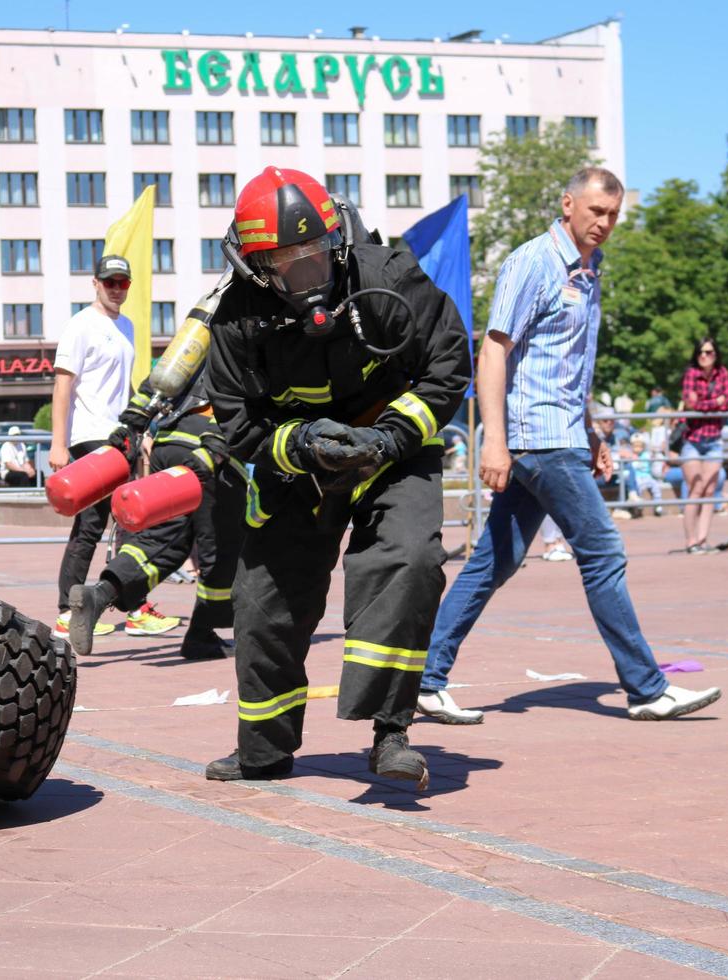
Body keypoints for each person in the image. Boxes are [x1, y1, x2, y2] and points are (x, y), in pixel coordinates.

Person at [418, 167, 721, 726]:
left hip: (562, 433)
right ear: (567, 205)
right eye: (595, 212)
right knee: (603, 551)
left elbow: (567, 366)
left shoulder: (590, 269)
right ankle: (647, 688)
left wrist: (593, 431)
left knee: (492, 563)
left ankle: (423, 681)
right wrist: (494, 445)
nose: (604, 224)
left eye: (613, 215)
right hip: (536, 437)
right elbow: (494, 352)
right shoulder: (532, 262)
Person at [201, 166, 471, 788]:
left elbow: (446, 363)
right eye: (287, 263)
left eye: (317, 256)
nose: (307, 273)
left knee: (407, 562)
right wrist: (302, 444)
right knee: (262, 598)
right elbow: (238, 424)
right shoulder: (236, 319)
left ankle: (391, 734)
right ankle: (263, 750)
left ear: (337, 239)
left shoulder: (389, 277)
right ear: (254, 266)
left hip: (390, 452)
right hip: (299, 468)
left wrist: (387, 438)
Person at [68, 369, 247, 660]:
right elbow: (245, 395)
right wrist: (215, 446)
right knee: (222, 550)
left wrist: (130, 427)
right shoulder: (250, 332)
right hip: (212, 453)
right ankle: (202, 634)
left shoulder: (196, 338)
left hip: (168, 443)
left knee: (161, 542)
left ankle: (99, 595)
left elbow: (155, 384)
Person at [50, 254, 174, 640]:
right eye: (110, 282)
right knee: (90, 524)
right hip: (90, 436)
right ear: (95, 283)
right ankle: (67, 611)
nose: (117, 289)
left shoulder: (127, 327)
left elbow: (126, 387)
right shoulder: (80, 326)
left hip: (122, 436)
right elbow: (63, 386)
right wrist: (58, 443)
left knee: (132, 518)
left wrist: (144, 430)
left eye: (123, 283)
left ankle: (133, 606)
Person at [679, 336, 728, 553]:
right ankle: (691, 540)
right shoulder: (691, 373)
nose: (704, 356)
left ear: (716, 355)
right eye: (701, 352)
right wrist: (714, 403)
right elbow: (691, 403)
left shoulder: (723, 374)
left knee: (710, 491)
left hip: (714, 439)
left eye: (709, 352)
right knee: (696, 489)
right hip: (693, 439)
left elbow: (727, 402)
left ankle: (702, 539)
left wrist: (706, 404)